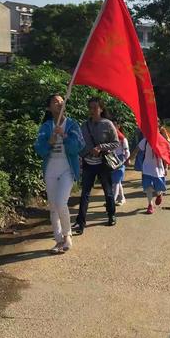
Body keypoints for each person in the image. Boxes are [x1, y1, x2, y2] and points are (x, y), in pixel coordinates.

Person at [34, 94, 85, 254]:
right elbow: (40, 149)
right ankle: (58, 240)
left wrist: (64, 136)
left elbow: (78, 146)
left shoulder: (72, 125)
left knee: (61, 202)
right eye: (55, 101)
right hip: (51, 169)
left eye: (61, 101)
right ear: (49, 107)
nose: (59, 103)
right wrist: (49, 142)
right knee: (53, 206)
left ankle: (67, 234)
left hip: (67, 169)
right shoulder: (46, 127)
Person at [73, 97, 120, 235]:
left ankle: (111, 214)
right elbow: (80, 143)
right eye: (90, 108)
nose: (92, 110)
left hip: (103, 164)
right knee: (85, 194)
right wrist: (83, 155)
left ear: (101, 108)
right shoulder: (84, 125)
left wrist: (100, 147)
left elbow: (116, 143)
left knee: (108, 191)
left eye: (95, 107)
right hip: (88, 164)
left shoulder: (108, 124)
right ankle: (81, 222)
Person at [138, 137, 167, 214]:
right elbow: (138, 149)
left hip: (158, 169)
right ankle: (150, 205)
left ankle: (159, 194)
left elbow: (165, 155)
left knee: (158, 188)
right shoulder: (145, 140)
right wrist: (129, 158)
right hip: (147, 168)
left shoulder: (161, 140)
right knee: (148, 187)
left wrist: (166, 167)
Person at [111, 119, 130, 206]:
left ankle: (112, 201)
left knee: (116, 181)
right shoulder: (109, 137)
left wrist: (125, 159)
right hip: (111, 160)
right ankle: (122, 198)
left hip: (120, 160)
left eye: (114, 125)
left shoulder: (122, 138)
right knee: (116, 181)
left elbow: (127, 151)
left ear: (118, 126)